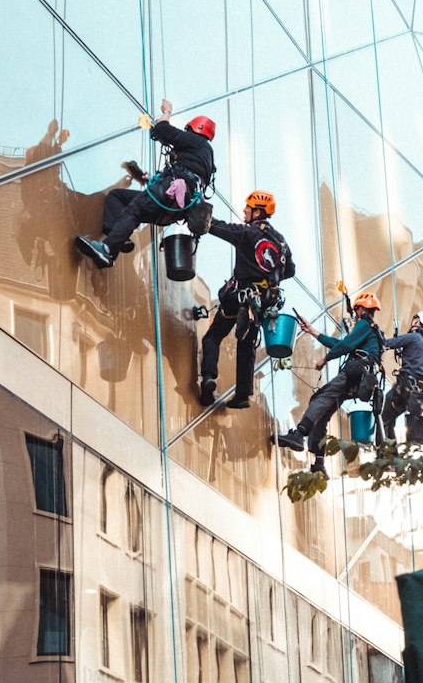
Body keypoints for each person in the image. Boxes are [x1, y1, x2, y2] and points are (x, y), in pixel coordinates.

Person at [75, 99, 216, 267]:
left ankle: (107, 249)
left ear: (194, 129)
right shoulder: (207, 160)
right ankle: (118, 238)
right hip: (174, 209)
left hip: (168, 193)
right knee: (117, 197)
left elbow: (162, 129)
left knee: (134, 210)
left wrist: (167, 111)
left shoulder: (197, 142)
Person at [198, 190, 295, 408]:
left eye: (248, 207)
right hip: (262, 305)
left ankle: (208, 378)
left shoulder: (247, 233)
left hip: (241, 296)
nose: (244, 210)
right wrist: (269, 275)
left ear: (257, 211)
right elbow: (290, 270)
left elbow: (217, 227)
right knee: (246, 345)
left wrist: (196, 211)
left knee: (213, 336)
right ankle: (242, 395)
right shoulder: (281, 243)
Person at [271, 290, 385, 469]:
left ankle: (299, 435)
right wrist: (313, 331)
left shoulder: (364, 324)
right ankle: (319, 462)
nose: (355, 315)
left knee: (319, 399)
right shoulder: (372, 330)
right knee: (324, 413)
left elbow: (345, 345)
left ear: (361, 309)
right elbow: (340, 344)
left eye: (356, 311)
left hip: (355, 372)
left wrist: (325, 359)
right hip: (361, 380)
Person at [382, 310, 423, 442]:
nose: (413, 323)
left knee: (385, 416)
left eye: (415, 320)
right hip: (415, 392)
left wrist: (376, 335)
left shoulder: (414, 337)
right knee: (391, 417)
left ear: (419, 321)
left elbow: (387, 344)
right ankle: (390, 453)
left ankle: (385, 451)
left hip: (406, 386)